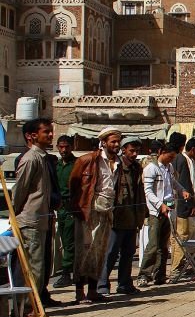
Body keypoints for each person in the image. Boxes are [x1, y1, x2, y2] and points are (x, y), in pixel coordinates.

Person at [68, 127, 124, 304]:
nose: (116, 145)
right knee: (84, 250)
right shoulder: (88, 160)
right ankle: (79, 291)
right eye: (113, 141)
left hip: (107, 211)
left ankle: (93, 290)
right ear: (104, 142)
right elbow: (74, 184)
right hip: (89, 211)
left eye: (118, 142)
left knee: (99, 252)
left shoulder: (118, 163)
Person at [11, 118, 61, 307]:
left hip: (42, 220)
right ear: (32, 136)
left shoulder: (42, 158)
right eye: (45, 132)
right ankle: (25, 307)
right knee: (33, 268)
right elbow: (19, 192)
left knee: (40, 268)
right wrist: (16, 216)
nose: (50, 135)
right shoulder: (30, 159)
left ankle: (33, 304)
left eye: (50, 131)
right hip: (30, 222)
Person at [137, 141, 187, 287]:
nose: (171, 160)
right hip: (156, 212)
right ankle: (144, 274)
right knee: (153, 245)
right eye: (169, 157)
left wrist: (182, 190)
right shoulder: (151, 169)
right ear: (161, 152)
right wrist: (160, 205)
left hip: (169, 210)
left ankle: (160, 274)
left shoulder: (169, 167)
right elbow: (148, 191)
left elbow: (173, 183)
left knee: (163, 246)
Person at [98, 137, 145, 295]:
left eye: (137, 151)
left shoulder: (137, 168)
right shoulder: (117, 167)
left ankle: (124, 283)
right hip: (117, 218)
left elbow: (139, 193)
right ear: (124, 150)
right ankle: (102, 284)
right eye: (132, 150)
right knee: (110, 252)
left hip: (132, 218)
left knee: (129, 252)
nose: (134, 154)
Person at [172, 138, 195, 276]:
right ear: (193, 149)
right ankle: (176, 267)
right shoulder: (182, 160)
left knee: (188, 236)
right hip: (183, 206)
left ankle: (186, 263)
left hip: (188, 204)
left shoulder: (190, 161)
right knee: (182, 236)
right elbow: (184, 184)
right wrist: (191, 204)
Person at [52, 135, 77, 288]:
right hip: (59, 208)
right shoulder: (57, 165)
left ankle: (67, 272)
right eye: (61, 147)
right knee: (63, 240)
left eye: (66, 147)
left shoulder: (76, 164)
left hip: (72, 208)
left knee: (70, 242)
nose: (63, 150)